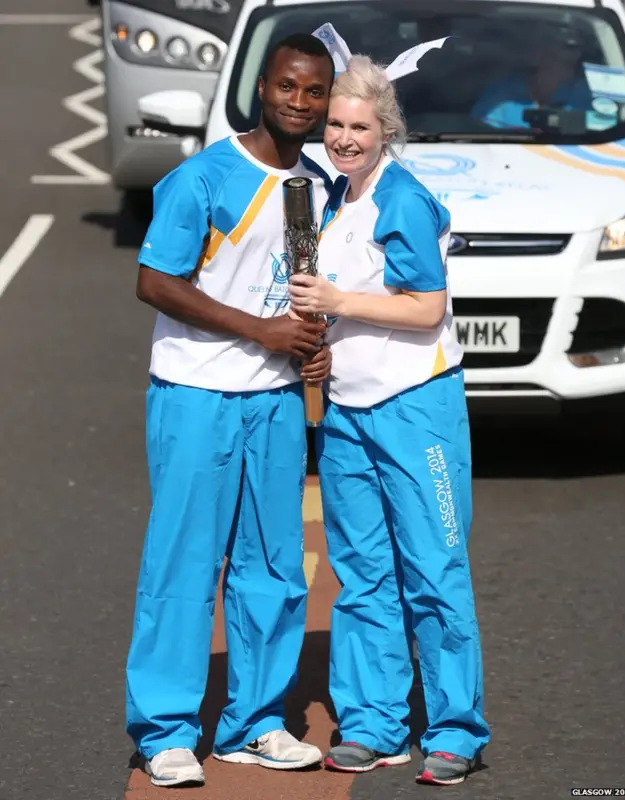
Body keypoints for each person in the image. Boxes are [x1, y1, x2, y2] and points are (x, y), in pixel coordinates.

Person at [125, 33, 335, 788]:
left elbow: (300, 286)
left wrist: (310, 347)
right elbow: (155, 281)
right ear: (260, 87)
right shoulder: (203, 177)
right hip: (196, 394)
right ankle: (167, 730)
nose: (301, 105)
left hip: (274, 400)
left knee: (275, 569)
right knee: (183, 566)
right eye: (288, 88)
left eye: (315, 92)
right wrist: (263, 332)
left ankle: (254, 724)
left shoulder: (313, 184)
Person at [288, 55, 491, 786]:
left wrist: (338, 303)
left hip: (414, 410)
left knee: (434, 570)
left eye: (359, 127)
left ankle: (456, 731)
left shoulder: (401, 199)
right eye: (336, 124)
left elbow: (425, 308)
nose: (344, 137)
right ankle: (376, 724)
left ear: (385, 131)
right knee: (365, 574)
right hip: (349, 413)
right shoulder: (337, 196)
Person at [471, 35, 593, 129]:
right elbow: (479, 134)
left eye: (574, 65)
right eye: (565, 63)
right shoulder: (500, 98)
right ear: (539, 59)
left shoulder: (580, 94)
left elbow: (596, 128)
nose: (570, 72)